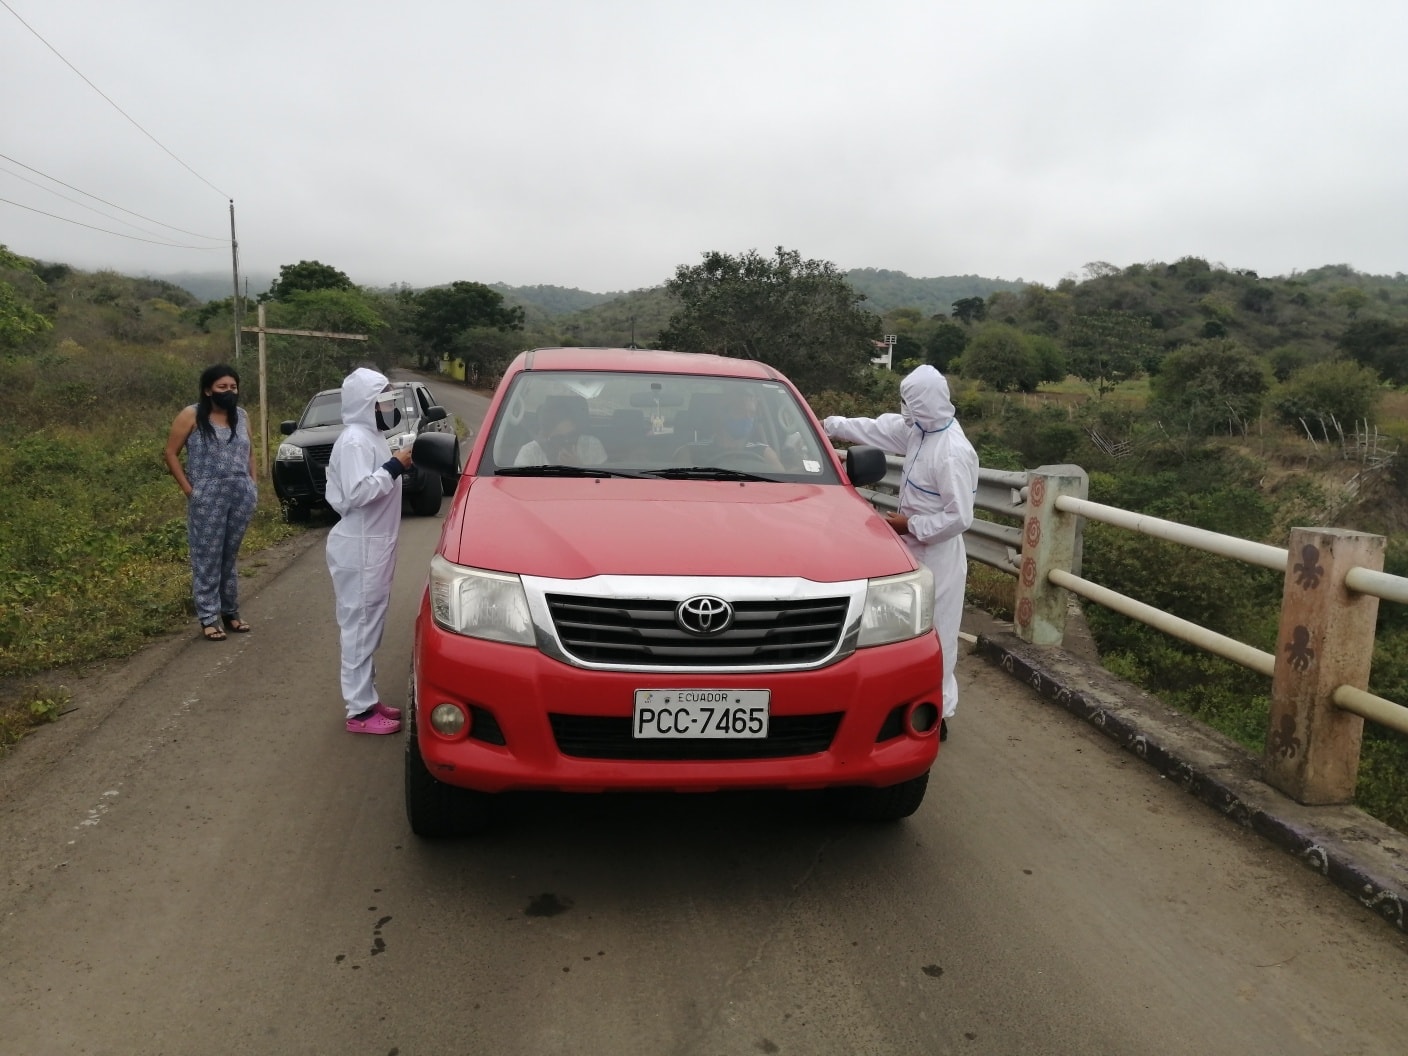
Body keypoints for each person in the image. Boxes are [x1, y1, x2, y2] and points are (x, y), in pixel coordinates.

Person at [823, 364, 978, 740]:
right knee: (902, 630)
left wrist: (912, 525)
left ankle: (939, 712)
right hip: (908, 547)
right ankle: (900, 701)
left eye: (909, 402)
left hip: (938, 553)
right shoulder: (919, 431)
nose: (904, 410)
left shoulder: (951, 453)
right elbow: (876, 428)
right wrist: (828, 426)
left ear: (924, 403)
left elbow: (959, 517)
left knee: (938, 631)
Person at [325, 367, 414, 735]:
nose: (389, 407)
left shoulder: (371, 436)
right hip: (360, 546)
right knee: (360, 628)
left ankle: (367, 696)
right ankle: (359, 711)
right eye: (384, 401)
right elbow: (358, 492)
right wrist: (395, 465)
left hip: (372, 545)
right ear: (367, 403)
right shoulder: (354, 442)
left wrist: (396, 464)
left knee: (368, 624)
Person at [164, 364, 259, 642]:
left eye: (233, 387)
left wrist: (252, 485)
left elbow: (250, 452)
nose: (229, 391)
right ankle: (208, 616)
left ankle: (230, 612)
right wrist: (190, 490)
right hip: (207, 495)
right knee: (207, 557)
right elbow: (170, 453)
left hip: (240, 494)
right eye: (222, 387)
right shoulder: (191, 415)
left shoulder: (242, 416)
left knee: (229, 556)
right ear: (208, 390)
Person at [680, 388, 784, 471]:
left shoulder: (765, 453)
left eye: (751, 413)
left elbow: (784, 485)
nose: (747, 418)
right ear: (722, 415)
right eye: (740, 412)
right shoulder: (691, 452)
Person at [515, 397, 607, 466]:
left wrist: (578, 466)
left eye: (572, 436)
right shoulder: (529, 453)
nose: (567, 441)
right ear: (545, 436)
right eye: (559, 439)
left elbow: (605, 482)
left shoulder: (591, 446)